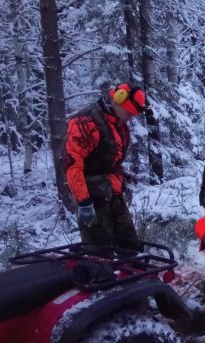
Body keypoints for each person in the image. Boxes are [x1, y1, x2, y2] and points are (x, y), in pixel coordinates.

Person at [63, 83, 147, 253]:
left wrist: (122, 180)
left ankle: (133, 276)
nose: (130, 117)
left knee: (130, 246)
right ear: (117, 100)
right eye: (129, 112)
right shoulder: (86, 123)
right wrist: (84, 203)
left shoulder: (119, 125)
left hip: (112, 191)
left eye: (133, 114)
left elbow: (113, 160)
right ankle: (101, 277)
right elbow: (72, 165)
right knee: (100, 253)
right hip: (91, 195)